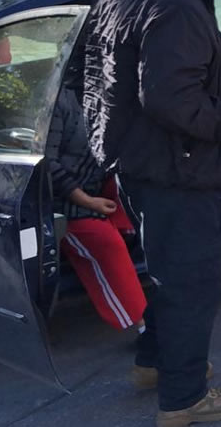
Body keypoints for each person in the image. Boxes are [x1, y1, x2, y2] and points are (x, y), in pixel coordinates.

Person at [83, 0, 221, 427]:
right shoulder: (176, 4)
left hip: (133, 159)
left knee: (169, 271)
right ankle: (184, 400)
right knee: (192, 280)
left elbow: (93, 70)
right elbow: (170, 97)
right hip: (173, 165)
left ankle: (154, 362)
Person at [47, 82, 147, 333]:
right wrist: (86, 201)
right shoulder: (60, 100)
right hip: (65, 200)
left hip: (103, 185)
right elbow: (46, 163)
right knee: (105, 242)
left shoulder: (114, 90)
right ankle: (142, 324)